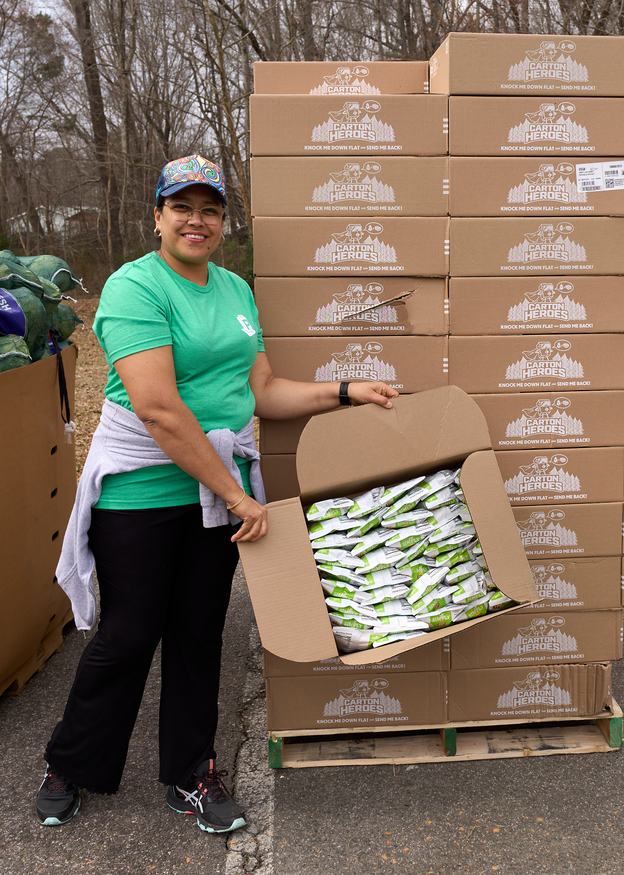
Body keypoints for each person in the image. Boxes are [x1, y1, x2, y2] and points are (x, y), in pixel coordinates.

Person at [36, 155, 398, 833]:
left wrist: (347, 390)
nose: (196, 221)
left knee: (199, 635)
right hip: (142, 495)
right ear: (157, 217)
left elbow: (261, 390)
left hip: (215, 499)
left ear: (223, 221)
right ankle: (72, 761)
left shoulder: (235, 289)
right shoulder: (134, 287)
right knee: (129, 633)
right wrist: (237, 495)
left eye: (210, 209)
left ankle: (192, 772)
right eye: (182, 207)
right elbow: (160, 409)